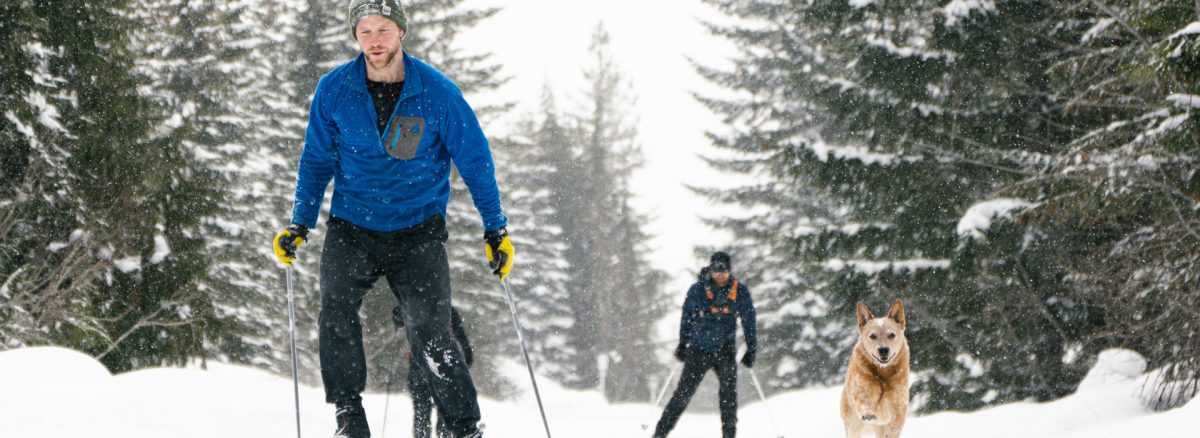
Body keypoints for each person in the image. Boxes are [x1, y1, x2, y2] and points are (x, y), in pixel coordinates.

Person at [271, 1, 513, 436]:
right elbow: (315, 161)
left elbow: (475, 160)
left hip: (417, 233)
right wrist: (299, 224)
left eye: (383, 29)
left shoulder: (437, 93)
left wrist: (495, 228)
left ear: (401, 31)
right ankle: (349, 415)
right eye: (365, 31)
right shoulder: (335, 89)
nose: (375, 40)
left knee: (431, 332)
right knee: (336, 311)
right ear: (355, 36)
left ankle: (463, 426)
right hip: (352, 228)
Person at [652, 251, 757, 438]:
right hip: (698, 350)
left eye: (724, 271)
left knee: (729, 398)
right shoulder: (697, 290)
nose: (720, 275)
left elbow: (749, 320)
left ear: (729, 271)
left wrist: (751, 348)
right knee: (683, 395)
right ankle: (660, 433)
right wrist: (682, 344)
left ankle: (729, 435)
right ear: (710, 270)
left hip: (725, 350)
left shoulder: (739, 291)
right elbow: (687, 318)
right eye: (716, 270)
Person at [391, 306, 474, 438]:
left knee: (421, 412)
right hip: (441, 368)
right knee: (444, 412)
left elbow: (398, 318)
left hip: (418, 366)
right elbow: (462, 338)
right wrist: (466, 360)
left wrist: (399, 314)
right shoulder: (447, 309)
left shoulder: (414, 306)